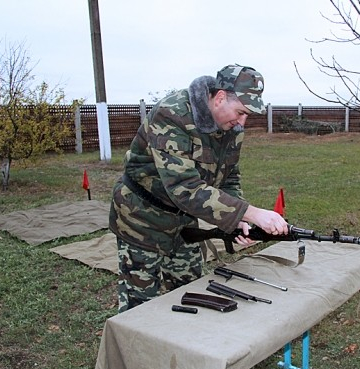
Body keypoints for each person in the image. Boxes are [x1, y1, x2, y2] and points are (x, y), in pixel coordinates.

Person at [109, 64, 288, 314]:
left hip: (184, 222)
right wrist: (251, 213)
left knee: (190, 294)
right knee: (139, 307)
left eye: (247, 114)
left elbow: (229, 176)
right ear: (220, 98)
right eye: (240, 112)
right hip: (141, 219)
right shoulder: (172, 114)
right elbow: (184, 188)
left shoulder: (231, 128)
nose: (242, 121)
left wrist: (237, 220)